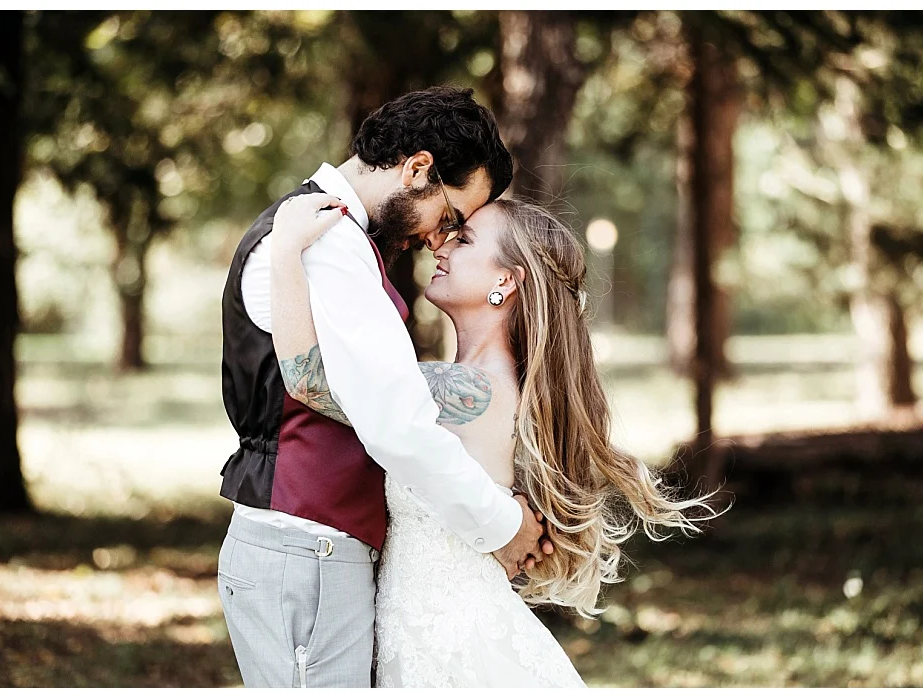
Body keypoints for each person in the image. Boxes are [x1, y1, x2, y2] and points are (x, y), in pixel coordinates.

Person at [267, 192, 717, 686]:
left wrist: (286, 250)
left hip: (454, 651)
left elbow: (310, 381)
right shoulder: (481, 382)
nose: (439, 246)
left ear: (506, 280)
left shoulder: (468, 390)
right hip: (432, 637)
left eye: (463, 239)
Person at [216, 86, 551, 688]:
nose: (436, 239)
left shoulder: (329, 235)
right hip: (305, 546)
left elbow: (389, 393)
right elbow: (391, 419)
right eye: (448, 218)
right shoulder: (327, 242)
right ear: (418, 168)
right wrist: (503, 526)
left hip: (313, 549)